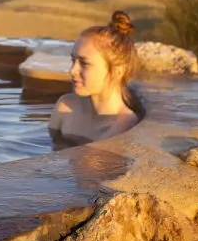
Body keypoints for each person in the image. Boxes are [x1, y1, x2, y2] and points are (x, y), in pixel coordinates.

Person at [49, 11, 142, 147]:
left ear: (118, 70)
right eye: (73, 60)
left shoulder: (124, 127)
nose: (72, 71)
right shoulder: (65, 107)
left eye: (84, 63)